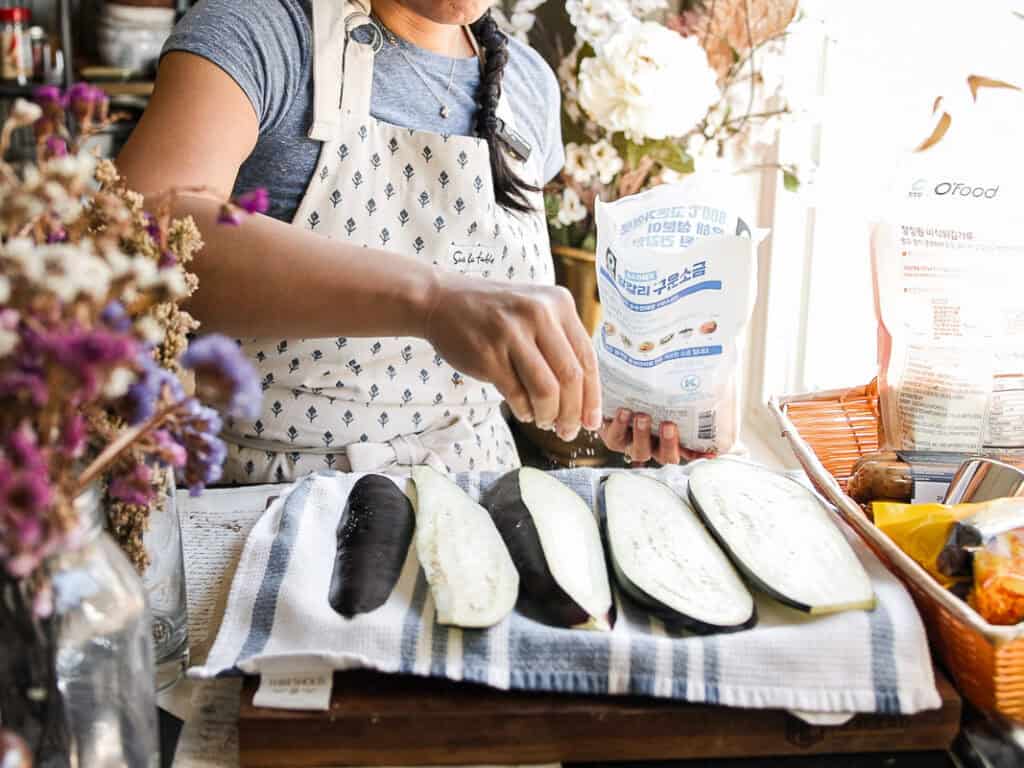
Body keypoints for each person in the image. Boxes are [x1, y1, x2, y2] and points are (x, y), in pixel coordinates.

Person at [117, 0, 686, 482]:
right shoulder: (258, 32)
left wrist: (627, 407)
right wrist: (431, 302)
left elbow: (516, 384)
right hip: (260, 506)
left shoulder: (528, 87)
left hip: (479, 498)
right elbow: (140, 236)